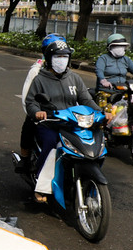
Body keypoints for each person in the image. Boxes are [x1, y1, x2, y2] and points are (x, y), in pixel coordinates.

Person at [25, 37, 94, 203]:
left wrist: (102, 113)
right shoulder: (40, 79)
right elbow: (31, 102)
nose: (61, 60)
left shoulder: (74, 78)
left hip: (72, 124)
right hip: (50, 124)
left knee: (89, 145)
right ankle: (41, 186)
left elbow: (86, 100)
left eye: (65, 57)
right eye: (58, 57)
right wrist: (38, 112)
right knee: (50, 145)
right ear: (49, 59)